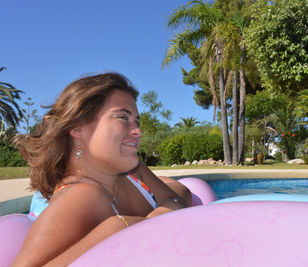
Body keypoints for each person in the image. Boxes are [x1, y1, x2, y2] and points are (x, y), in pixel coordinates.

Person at [13, 73, 190, 266]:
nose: (137, 131)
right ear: (77, 128)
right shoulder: (81, 196)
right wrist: (116, 228)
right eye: (122, 117)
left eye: (137, 122)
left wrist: (156, 217)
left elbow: (181, 198)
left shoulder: (132, 170)